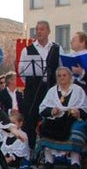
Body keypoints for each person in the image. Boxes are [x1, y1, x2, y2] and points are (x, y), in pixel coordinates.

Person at [33, 66, 87, 168]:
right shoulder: (52, 91)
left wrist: (78, 112)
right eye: (59, 76)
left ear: (70, 76)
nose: (62, 77)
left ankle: (75, 161)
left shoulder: (78, 90)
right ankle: (49, 160)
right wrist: (52, 111)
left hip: (71, 118)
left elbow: (85, 108)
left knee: (77, 129)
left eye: (64, 75)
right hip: (55, 118)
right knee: (43, 127)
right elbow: (43, 108)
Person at [17, 20, 60, 150]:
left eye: (42, 29)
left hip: (50, 87)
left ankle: (49, 148)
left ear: (48, 31)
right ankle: (30, 148)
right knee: (31, 117)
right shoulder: (27, 50)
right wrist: (32, 83)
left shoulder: (56, 48)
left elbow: (61, 68)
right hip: (33, 88)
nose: (39, 32)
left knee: (50, 116)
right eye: (37, 29)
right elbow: (22, 70)